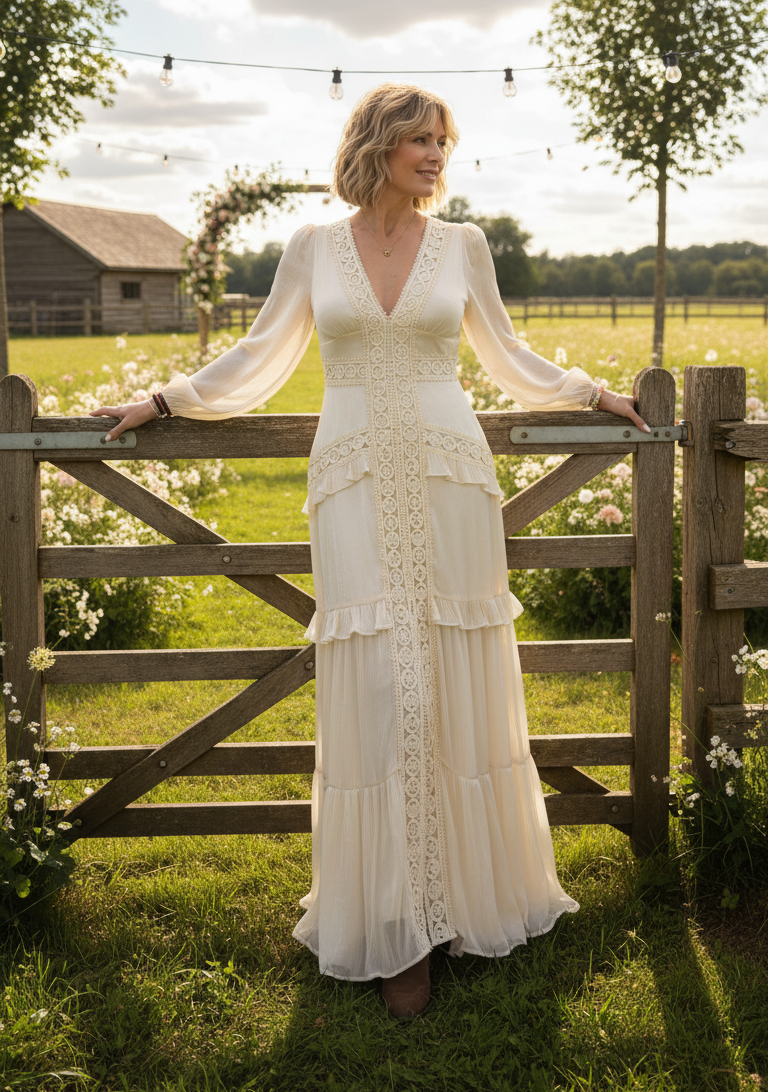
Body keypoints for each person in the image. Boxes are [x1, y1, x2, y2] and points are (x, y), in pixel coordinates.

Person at [92, 83, 649, 1019]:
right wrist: (162, 399)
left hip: (450, 479)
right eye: (421, 140)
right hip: (350, 484)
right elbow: (261, 353)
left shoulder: (463, 245)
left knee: (452, 676)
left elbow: (506, 355)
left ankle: (468, 906)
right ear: (378, 142)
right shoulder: (313, 247)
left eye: (444, 142)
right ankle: (393, 922)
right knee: (383, 687)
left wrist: (594, 395)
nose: (437, 155)